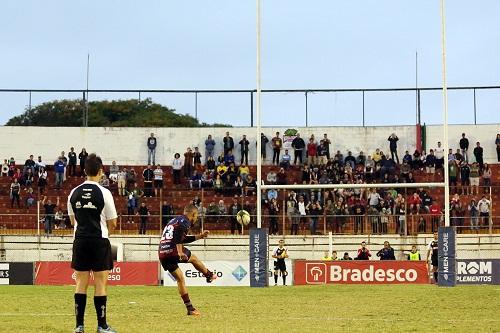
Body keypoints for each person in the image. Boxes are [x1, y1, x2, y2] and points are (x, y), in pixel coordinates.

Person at [68, 153, 118, 333]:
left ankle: (79, 326)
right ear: (100, 171)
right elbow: (113, 222)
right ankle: (102, 326)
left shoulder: (73, 192)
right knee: (100, 283)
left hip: (80, 240)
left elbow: (73, 221)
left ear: (84, 171)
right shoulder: (104, 193)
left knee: (80, 283)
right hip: (99, 241)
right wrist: (106, 233)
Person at [159, 204, 216, 316]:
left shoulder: (174, 220)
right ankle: (208, 275)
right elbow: (179, 236)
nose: (196, 218)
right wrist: (180, 252)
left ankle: (190, 309)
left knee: (180, 278)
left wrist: (200, 236)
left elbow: (181, 238)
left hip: (162, 253)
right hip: (173, 249)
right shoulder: (185, 221)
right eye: (197, 216)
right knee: (193, 258)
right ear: (193, 214)